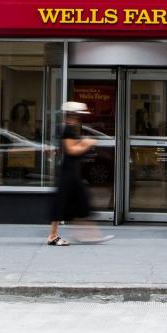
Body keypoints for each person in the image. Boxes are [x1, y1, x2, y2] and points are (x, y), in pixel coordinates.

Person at [48, 101, 112, 245]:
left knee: (78, 202)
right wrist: (86, 143)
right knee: (73, 202)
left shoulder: (65, 128)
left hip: (70, 171)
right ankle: (54, 236)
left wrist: (82, 142)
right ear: (72, 115)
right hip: (69, 172)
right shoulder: (68, 130)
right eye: (77, 115)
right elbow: (71, 150)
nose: (78, 118)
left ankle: (88, 234)